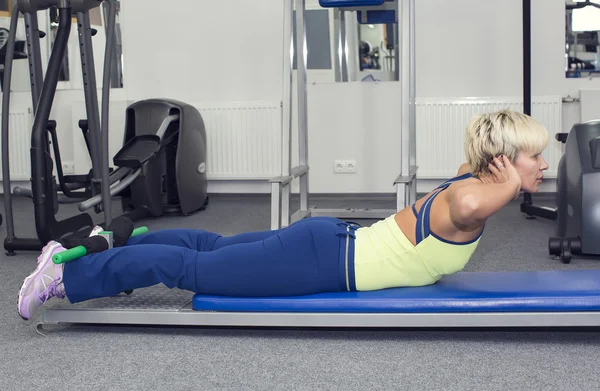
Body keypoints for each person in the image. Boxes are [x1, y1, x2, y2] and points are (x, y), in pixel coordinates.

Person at [17, 109, 549, 320]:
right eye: (536, 156)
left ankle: (115, 239)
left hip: (328, 243)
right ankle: (67, 273)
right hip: (323, 262)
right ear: (503, 163)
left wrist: (503, 165)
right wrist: (509, 185)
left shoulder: (466, 175)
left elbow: (477, 163)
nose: (544, 166)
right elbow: (478, 201)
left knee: (213, 249)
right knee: (190, 271)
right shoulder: (473, 199)